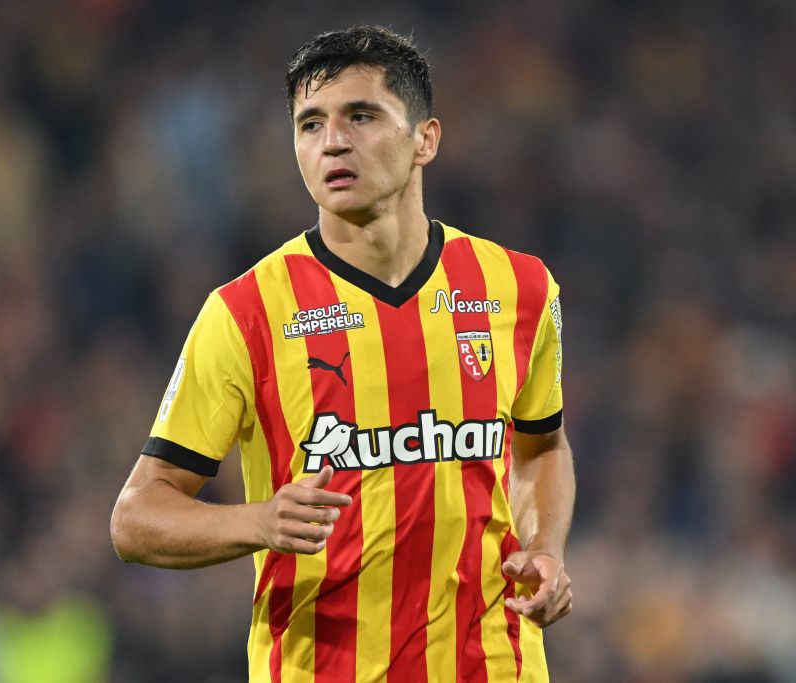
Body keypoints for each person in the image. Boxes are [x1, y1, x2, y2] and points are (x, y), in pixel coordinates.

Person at [112, 25, 575, 682]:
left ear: (425, 139)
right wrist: (259, 519)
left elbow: (541, 445)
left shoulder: (519, 288)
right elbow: (135, 518)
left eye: (361, 116)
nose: (332, 141)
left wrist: (545, 547)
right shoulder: (247, 312)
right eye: (309, 124)